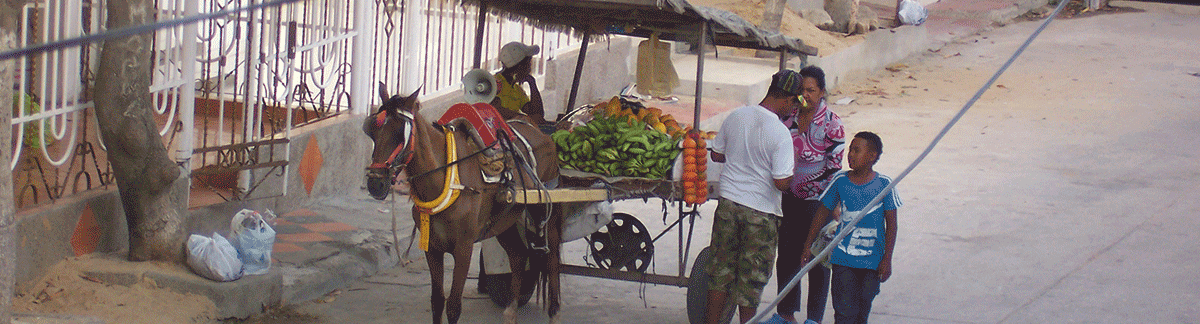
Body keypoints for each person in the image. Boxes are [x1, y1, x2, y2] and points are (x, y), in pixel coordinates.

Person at [704, 70, 801, 324]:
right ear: (788, 99)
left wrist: (740, 157)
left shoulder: (737, 116)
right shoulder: (780, 133)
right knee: (751, 281)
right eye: (795, 103)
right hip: (760, 213)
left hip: (728, 205)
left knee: (719, 275)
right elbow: (781, 182)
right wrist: (791, 175)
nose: (794, 110)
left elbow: (716, 154)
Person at [769, 66, 845, 324]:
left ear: (822, 92)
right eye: (801, 90)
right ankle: (786, 314)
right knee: (788, 256)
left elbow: (835, 170)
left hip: (818, 204)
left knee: (817, 260)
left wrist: (832, 205)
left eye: (811, 90)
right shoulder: (786, 118)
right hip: (788, 199)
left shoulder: (832, 124)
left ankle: (814, 319)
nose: (806, 96)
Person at [800, 131, 901, 324]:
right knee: (844, 313)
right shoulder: (841, 181)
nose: (850, 155)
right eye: (850, 150)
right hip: (843, 258)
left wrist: (887, 259)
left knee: (861, 311)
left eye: (857, 150)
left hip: (872, 262)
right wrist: (808, 245)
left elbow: (892, 225)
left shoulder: (884, 185)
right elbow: (822, 213)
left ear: (872, 156)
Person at [491, 41, 548, 124]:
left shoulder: (517, 89)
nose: (530, 68)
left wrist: (532, 84)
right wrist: (521, 117)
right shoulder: (494, 83)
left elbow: (537, 115)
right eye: (529, 64)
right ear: (521, 66)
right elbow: (495, 109)